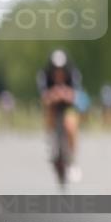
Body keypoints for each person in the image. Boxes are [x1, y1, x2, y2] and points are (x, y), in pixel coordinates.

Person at [36, 49, 83, 182]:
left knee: (71, 126)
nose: (59, 73)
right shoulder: (44, 76)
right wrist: (54, 95)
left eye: (61, 69)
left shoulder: (73, 75)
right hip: (52, 105)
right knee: (48, 110)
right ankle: (50, 138)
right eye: (56, 69)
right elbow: (44, 97)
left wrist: (64, 93)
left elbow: (77, 96)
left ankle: (73, 161)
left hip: (68, 105)